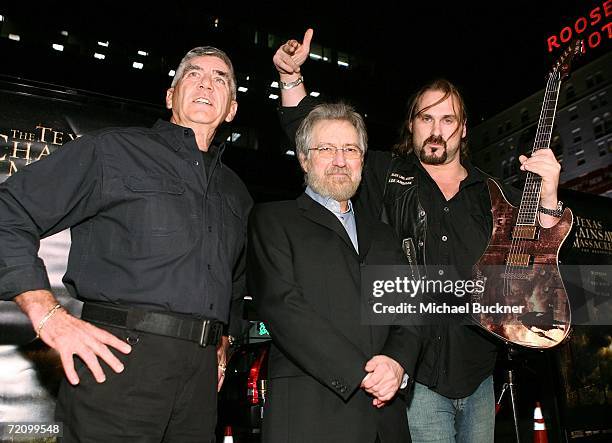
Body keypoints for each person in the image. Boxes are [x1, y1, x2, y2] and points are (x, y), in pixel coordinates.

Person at [273, 29, 564, 442]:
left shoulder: (493, 194)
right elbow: (314, 135)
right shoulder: (382, 176)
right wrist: (291, 78)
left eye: (448, 120)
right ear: (411, 125)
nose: (436, 129)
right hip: (415, 376)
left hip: (478, 373)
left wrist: (550, 196)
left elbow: (536, 264)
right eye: (426, 117)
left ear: (463, 130)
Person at [0, 46, 252, 442]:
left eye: (220, 78)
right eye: (193, 73)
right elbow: (8, 211)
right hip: (118, 362)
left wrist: (224, 341)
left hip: (200, 385)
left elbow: (235, 278)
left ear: (231, 109)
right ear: (170, 96)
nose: (206, 82)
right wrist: (47, 314)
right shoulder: (112, 151)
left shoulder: (236, 192)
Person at [248, 102, 421, 443]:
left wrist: (397, 364)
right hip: (310, 417)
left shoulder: (383, 234)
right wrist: (364, 373)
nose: (340, 160)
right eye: (326, 149)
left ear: (362, 160)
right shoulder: (272, 220)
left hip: (386, 422)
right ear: (303, 159)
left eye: (350, 149)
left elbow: (408, 310)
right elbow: (282, 307)